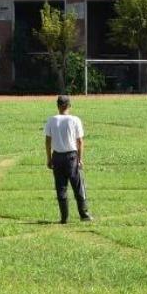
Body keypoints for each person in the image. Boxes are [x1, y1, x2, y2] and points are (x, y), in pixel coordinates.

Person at [44, 94, 93, 223]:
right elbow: (80, 141)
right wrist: (80, 159)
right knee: (78, 186)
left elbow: (48, 141)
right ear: (69, 106)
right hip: (71, 156)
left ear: (58, 106)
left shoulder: (51, 120)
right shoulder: (75, 120)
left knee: (61, 188)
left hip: (57, 156)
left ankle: (64, 217)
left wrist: (49, 158)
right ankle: (84, 214)